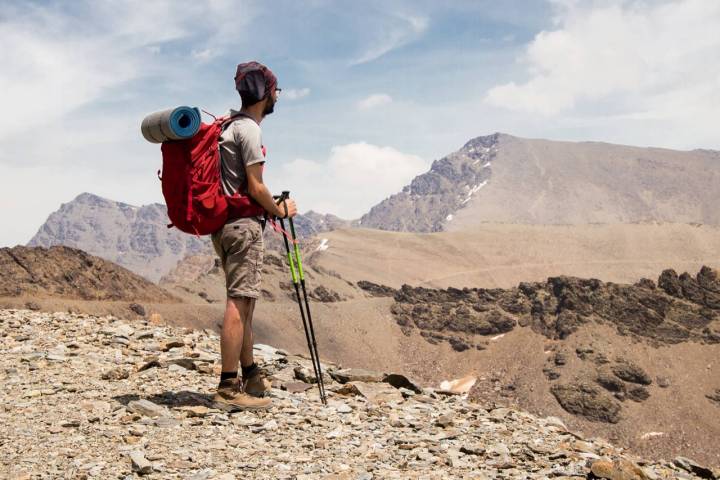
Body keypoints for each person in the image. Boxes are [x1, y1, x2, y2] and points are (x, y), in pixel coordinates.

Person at [211, 61, 297, 410]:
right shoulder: (249, 130)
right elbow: (256, 186)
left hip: (224, 226)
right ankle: (228, 388)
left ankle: (250, 373)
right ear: (265, 93)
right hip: (244, 227)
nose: (277, 96)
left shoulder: (226, 126)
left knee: (246, 302)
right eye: (276, 89)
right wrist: (280, 210)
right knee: (238, 301)